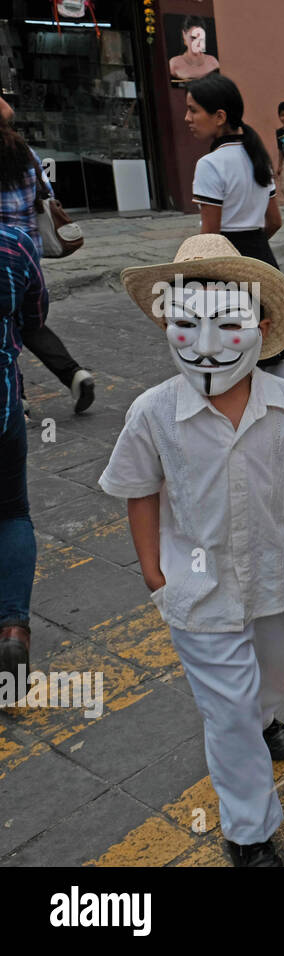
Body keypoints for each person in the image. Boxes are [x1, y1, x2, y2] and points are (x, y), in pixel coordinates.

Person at [100, 235, 284, 867]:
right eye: (186, 323)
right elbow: (139, 491)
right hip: (196, 594)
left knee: (267, 683)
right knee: (228, 715)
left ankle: (264, 718)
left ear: (260, 327)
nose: (206, 343)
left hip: (272, 583)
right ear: (167, 324)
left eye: (227, 323)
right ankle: (249, 832)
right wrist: (155, 573)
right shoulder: (153, 413)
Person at [185, 73, 284, 393]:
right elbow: (275, 222)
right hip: (261, 259)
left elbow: (209, 236)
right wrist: (251, 250)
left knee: (221, 352)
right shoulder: (258, 157)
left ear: (219, 116)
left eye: (194, 110)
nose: (188, 118)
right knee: (268, 353)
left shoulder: (210, 165)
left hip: (224, 263)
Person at [0, 109, 93, 413]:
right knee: (33, 324)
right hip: (28, 257)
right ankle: (75, 375)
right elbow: (47, 193)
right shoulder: (27, 153)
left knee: (4, 330)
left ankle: (18, 399)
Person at [0, 226, 47, 684]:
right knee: (12, 511)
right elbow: (35, 317)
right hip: (2, 404)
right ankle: (12, 627)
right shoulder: (13, 244)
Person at [168, 15, 220, 82]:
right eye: (193, 38)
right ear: (184, 35)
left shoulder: (213, 62)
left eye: (200, 38)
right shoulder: (174, 64)